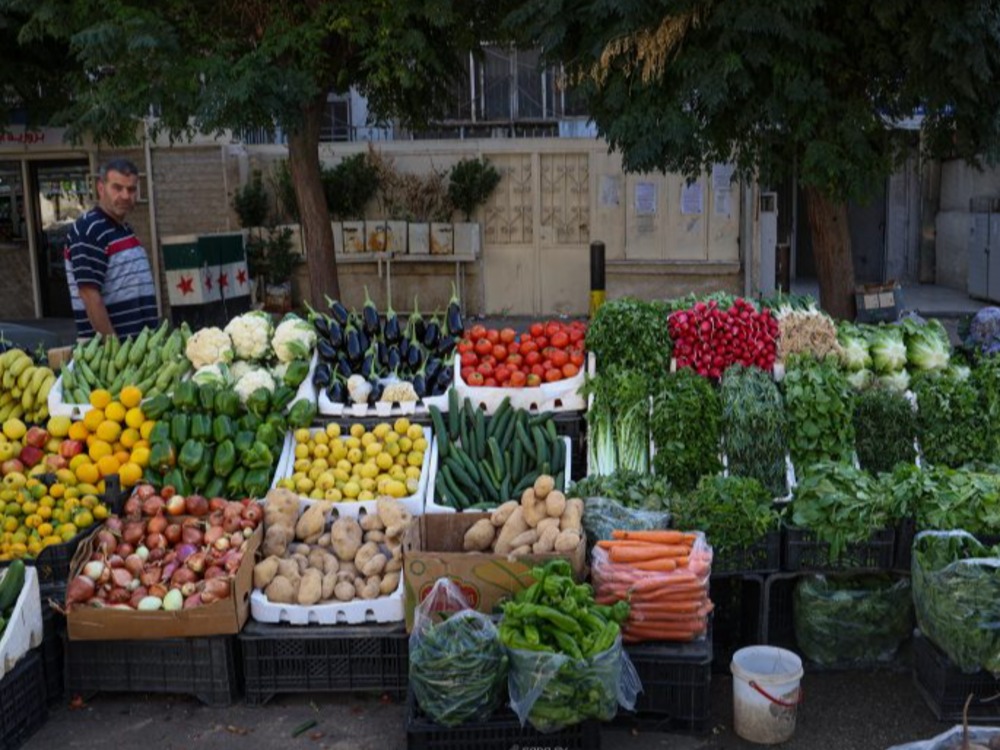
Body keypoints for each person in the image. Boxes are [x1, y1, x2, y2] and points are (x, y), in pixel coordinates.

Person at [64, 158, 158, 340]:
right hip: (113, 357)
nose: (125, 195)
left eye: (131, 189)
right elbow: (89, 294)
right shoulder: (89, 229)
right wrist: (115, 354)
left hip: (137, 351)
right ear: (101, 188)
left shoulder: (123, 229)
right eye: (117, 188)